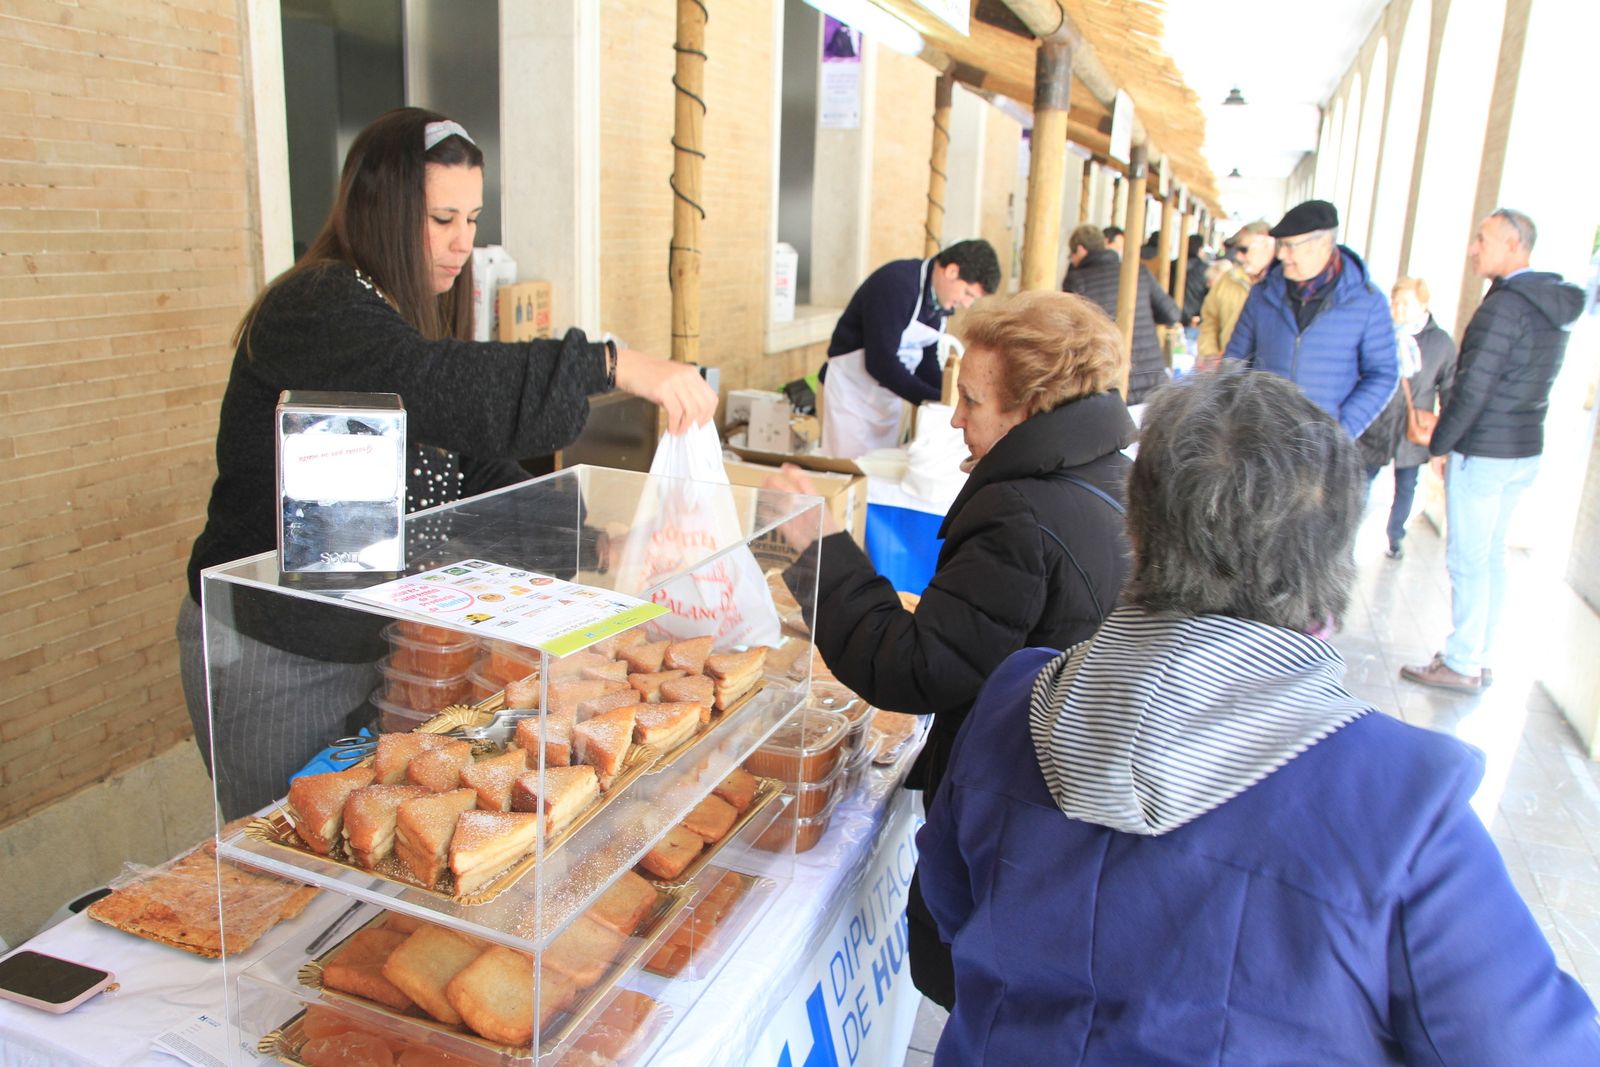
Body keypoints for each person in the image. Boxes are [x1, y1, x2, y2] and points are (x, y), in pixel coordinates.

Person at [917, 369, 1600, 1066]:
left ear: (1136, 526)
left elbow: (948, 900)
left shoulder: (1017, 700)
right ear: (1332, 552)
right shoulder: (1400, 802)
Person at [178, 108, 717, 818]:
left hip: (376, 641)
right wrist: (612, 363)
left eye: (472, 218)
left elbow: (467, 475)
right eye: (440, 219)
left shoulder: (407, 315)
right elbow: (436, 384)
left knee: (374, 849)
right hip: (275, 647)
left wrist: (598, 545)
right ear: (380, 213)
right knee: (286, 852)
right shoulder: (318, 306)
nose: (463, 243)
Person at [766, 290, 1136, 1010]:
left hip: (1018, 836)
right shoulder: (1105, 473)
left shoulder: (1021, 515)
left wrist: (817, 549)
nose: (955, 418)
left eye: (970, 400)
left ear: (1030, 410)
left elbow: (913, 665)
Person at [1402, 209, 1584, 692]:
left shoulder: (1503, 307)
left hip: (1484, 452)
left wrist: (1440, 443)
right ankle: (1478, 654)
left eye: (1482, 239)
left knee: (1467, 559)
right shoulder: (1552, 304)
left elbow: (1473, 387)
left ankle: (1462, 662)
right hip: (1523, 450)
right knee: (1490, 558)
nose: (1472, 249)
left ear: (1513, 245)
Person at [1222, 199, 1397, 437]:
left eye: (1290, 246)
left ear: (1323, 244)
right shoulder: (1263, 295)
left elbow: (1382, 373)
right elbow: (1235, 362)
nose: (1282, 255)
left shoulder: (1367, 302)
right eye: (1280, 245)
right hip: (1263, 441)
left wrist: (1342, 430)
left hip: (1325, 448)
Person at [819, 239, 999, 459]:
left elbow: (926, 360)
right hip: (850, 395)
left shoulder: (939, 305)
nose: (966, 304)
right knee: (848, 471)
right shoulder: (897, 284)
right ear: (952, 271)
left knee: (878, 467)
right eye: (968, 294)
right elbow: (880, 362)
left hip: (885, 401)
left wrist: (953, 394)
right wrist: (933, 398)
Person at [1355, 277, 1457, 558]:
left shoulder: (1440, 343)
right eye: (1395, 302)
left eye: (1406, 303)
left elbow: (1448, 388)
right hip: (1377, 421)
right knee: (1362, 478)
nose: (1398, 309)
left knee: (1406, 484)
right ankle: (1347, 530)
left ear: (1423, 305)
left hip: (1412, 425)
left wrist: (1446, 437)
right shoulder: (1379, 335)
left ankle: (1395, 536)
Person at [1062, 224, 1182, 404]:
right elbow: (1172, 314)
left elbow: (1070, 334)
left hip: (1109, 382)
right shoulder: (1139, 272)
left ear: (1080, 249)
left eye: (1072, 255)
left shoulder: (1077, 280)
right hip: (1153, 381)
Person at [1196, 220, 1273, 367]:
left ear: (1268, 245)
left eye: (1244, 250)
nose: (1238, 256)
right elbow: (1210, 318)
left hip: (1268, 382)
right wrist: (1210, 354)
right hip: (1231, 376)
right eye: (1237, 250)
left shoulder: (1283, 286)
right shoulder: (1228, 279)